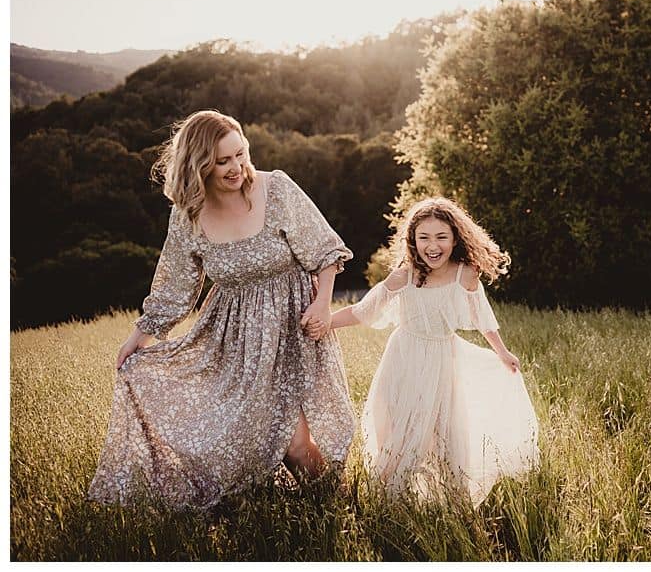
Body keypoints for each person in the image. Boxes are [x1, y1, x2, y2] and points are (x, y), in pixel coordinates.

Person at [88, 111, 356, 508]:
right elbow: (176, 288)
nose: (237, 167)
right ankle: (279, 514)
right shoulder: (189, 215)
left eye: (241, 154)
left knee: (297, 445)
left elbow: (325, 250)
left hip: (293, 330)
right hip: (234, 341)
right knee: (240, 438)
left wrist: (322, 302)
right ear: (199, 165)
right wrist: (137, 338)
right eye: (223, 160)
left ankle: (342, 512)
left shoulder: (277, 188)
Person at [325, 197, 538, 504]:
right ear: (412, 240)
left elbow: (482, 316)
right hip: (402, 359)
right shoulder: (404, 276)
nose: (432, 245)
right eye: (424, 237)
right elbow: (362, 311)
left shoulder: (465, 273)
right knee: (395, 432)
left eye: (441, 237)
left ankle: (455, 504)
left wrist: (502, 352)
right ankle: (386, 505)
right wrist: (325, 323)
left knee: (443, 435)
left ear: (455, 238)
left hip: (441, 361)